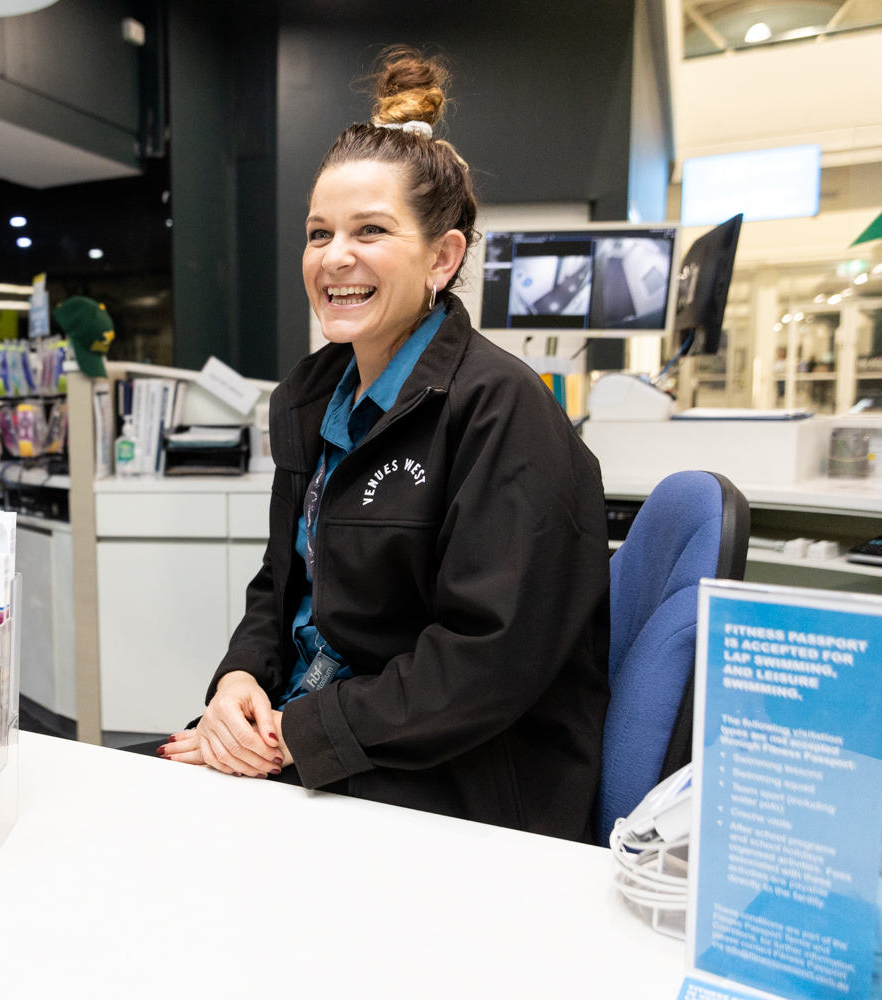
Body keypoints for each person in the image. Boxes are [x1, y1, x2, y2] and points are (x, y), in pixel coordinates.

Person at [158, 48, 610, 842]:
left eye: (370, 231)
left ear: (443, 257)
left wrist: (291, 736)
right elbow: (280, 583)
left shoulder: (501, 410)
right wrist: (237, 682)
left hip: (453, 775)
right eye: (318, 233)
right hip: (320, 733)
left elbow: (485, 663)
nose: (335, 257)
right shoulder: (309, 395)